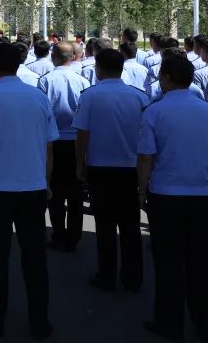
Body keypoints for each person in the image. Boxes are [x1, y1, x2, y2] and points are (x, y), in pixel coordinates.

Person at [0, 43, 57, 340]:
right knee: (35, 258)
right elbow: (49, 146)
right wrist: (47, 182)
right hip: (33, 188)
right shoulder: (39, 98)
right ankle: (40, 321)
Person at [138, 55, 208, 342]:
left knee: (169, 263)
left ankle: (170, 322)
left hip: (167, 194)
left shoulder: (154, 112)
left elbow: (146, 157)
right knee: (203, 261)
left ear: (164, 77)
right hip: (204, 194)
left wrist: (142, 190)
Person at [73, 48, 146, 292]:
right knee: (130, 225)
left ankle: (107, 275)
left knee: (105, 225)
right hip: (130, 167)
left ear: (99, 68)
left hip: (100, 167)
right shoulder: (138, 97)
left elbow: (82, 133)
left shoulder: (91, 96)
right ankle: (133, 276)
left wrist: (79, 163)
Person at [37, 40, 89, 251]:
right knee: (75, 192)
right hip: (76, 142)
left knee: (55, 193)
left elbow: (41, 112)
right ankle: (74, 236)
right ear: (74, 57)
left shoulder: (45, 81)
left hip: (53, 142)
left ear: (53, 56)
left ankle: (58, 234)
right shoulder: (82, 81)